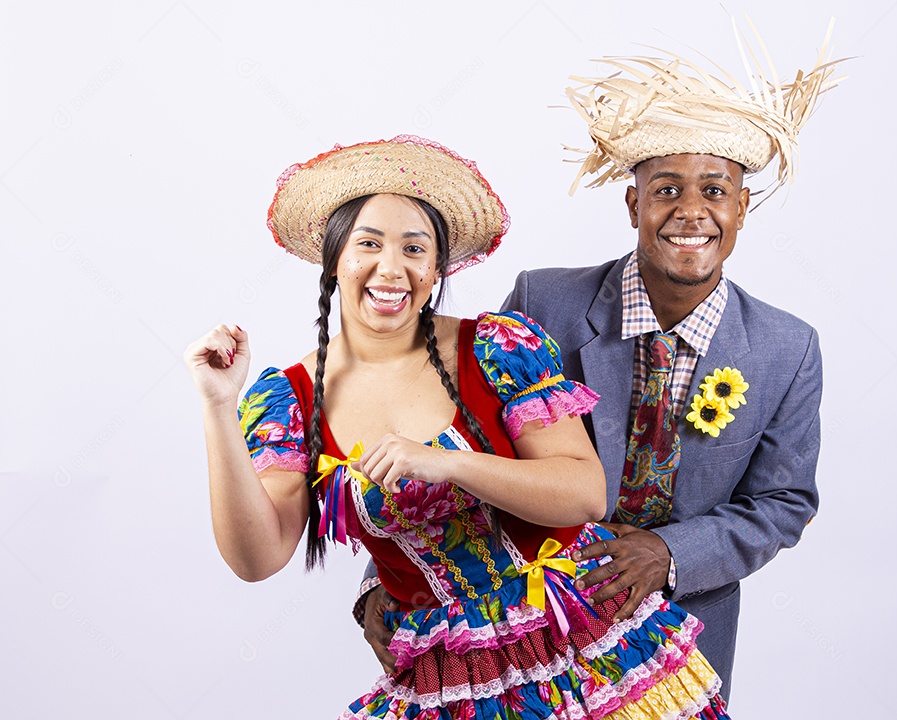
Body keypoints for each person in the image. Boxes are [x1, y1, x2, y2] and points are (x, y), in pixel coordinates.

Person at [185, 135, 731, 718]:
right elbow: (256, 559)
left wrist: (450, 462)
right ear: (335, 257)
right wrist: (218, 405)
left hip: (590, 644)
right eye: (368, 243)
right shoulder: (291, 399)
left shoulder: (496, 347)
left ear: (437, 267)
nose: (391, 268)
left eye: (414, 249)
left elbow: (584, 494)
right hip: (452, 675)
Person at [500, 24, 843, 701]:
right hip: (530, 620)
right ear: (634, 203)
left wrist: (667, 554)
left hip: (686, 635)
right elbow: (462, 440)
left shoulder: (786, 348)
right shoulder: (544, 301)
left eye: (715, 190)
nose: (691, 211)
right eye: (666, 190)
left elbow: (783, 501)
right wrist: (383, 586)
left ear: (742, 207)